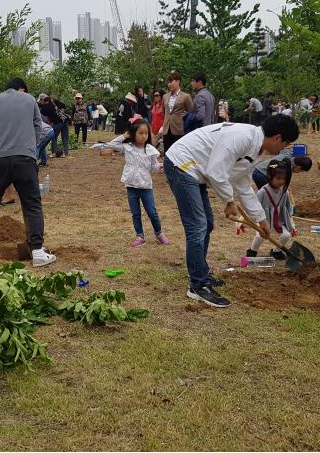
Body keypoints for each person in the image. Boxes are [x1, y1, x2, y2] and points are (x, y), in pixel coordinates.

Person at [165, 115, 300, 308]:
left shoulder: (257, 149)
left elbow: (242, 184)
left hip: (197, 171)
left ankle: (200, 273)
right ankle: (197, 285)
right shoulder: (242, 137)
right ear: (277, 137)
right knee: (198, 227)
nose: (282, 149)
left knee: (207, 224)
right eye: (285, 143)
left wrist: (261, 219)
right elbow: (215, 170)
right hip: (182, 164)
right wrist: (229, 201)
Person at [0, 77, 55, 268]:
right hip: (24, 159)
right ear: (21, 89)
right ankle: (37, 252)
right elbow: (39, 126)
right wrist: (30, 146)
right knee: (32, 204)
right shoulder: (28, 99)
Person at [98, 117, 171, 248]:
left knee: (152, 212)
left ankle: (159, 233)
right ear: (133, 134)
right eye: (140, 133)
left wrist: (160, 167)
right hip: (131, 186)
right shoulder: (128, 147)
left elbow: (153, 166)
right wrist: (124, 135)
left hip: (145, 187)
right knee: (135, 213)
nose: (143, 136)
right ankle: (140, 236)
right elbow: (111, 144)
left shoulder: (150, 150)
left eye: (146, 133)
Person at [245, 160, 296, 260]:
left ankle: (276, 251)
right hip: (265, 220)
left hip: (279, 221)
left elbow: (287, 206)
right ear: (269, 177)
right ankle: (252, 251)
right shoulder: (263, 192)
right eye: (278, 178)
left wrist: (291, 221)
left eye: (283, 179)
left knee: (286, 235)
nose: (281, 181)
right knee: (260, 236)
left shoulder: (284, 192)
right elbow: (254, 205)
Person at [162, 72, 193, 152]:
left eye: (171, 82)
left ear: (178, 81)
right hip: (166, 129)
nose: (169, 84)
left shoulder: (186, 96)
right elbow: (164, 111)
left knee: (178, 154)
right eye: (168, 82)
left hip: (179, 130)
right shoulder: (165, 96)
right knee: (167, 153)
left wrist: (184, 117)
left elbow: (191, 112)